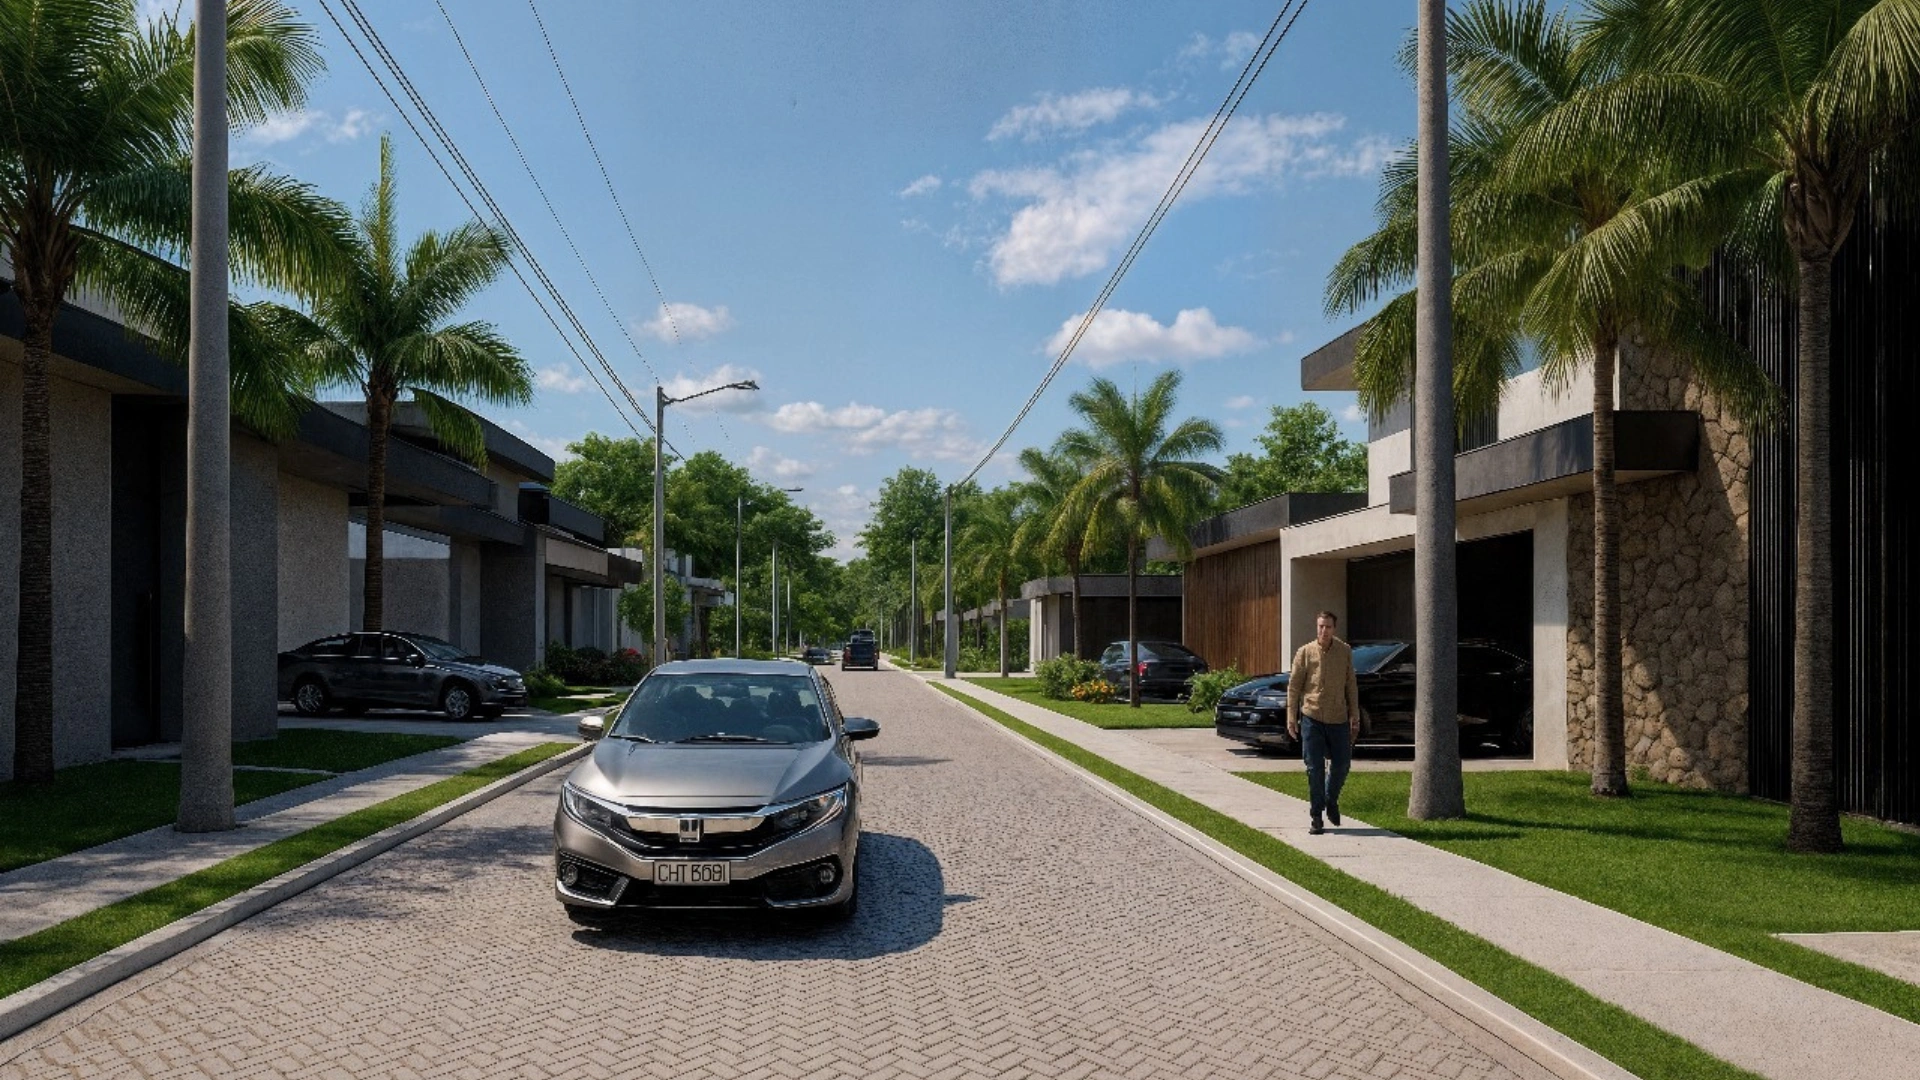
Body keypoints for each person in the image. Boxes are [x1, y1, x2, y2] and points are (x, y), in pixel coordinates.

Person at [1287, 610, 1360, 834]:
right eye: (1320, 626)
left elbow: (1350, 685)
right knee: (1314, 767)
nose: (1323, 631)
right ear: (1316, 627)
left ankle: (1331, 799)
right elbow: (1294, 686)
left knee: (1342, 764)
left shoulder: (1344, 651)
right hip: (1312, 716)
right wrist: (1291, 716)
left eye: (1328, 627)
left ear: (1334, 629)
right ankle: (1316, 816)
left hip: (1338, 717)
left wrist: (1354, 715)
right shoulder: (1305, 652)